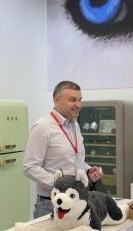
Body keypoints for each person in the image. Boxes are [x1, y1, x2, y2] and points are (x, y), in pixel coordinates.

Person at [23, 80, 103, 218]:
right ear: (57, 99)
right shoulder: (42, 127)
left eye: (80, 100)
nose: (78, 105)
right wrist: (60, 185)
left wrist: (87, 170)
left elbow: (74, 159)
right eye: (72, 100)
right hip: (51, 204)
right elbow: (29, 167)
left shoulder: (74, 125)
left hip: (76, 202)